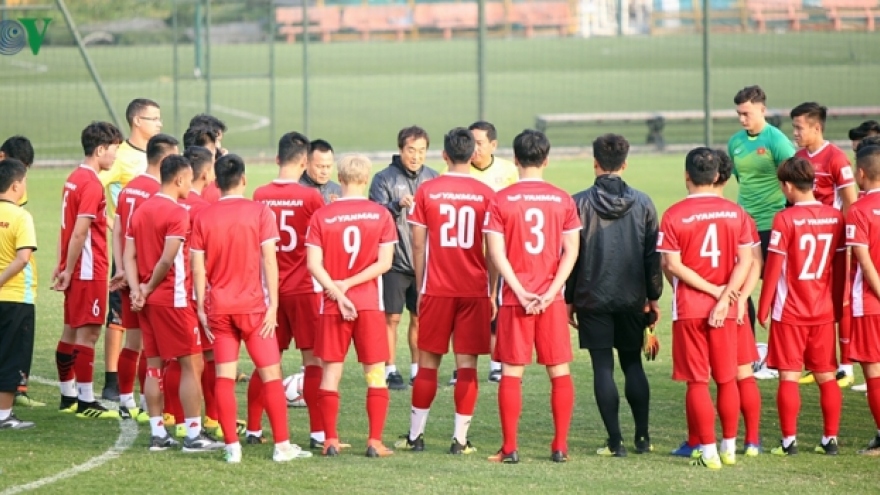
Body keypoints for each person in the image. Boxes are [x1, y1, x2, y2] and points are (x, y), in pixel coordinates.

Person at [191, 154, 310, 463]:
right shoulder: (260, 212)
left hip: (218, 308)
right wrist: (273, 306)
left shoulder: (204, 217)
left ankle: (232, 447)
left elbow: (198, 268)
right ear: (243, 179)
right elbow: (270, 260)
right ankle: (282, 446)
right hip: (254, 308)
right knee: (271, 374)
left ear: (216, 183)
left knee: (224, 377)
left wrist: (202, 307)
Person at [396, 128, 495, 455]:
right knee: (466, 366)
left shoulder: (428, 191)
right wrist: (491, 291)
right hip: (473, 291)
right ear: (473, 155)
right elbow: (492, 250)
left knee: (428, 365)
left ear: (444, 155)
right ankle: (460, 440)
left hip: (437, 289)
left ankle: (415, 437)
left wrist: (423, 287)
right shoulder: (485, 193)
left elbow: (419, 244)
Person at [483, 129, 580, 464]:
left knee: (512, 373)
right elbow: (571, 252)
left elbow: (496, 254)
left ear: (515, 159)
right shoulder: (563, 199)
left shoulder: (501, 200)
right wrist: (552, 291)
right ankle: (560, 446)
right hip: (550, 301)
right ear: (546, 159)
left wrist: (520, 291)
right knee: (559, 372)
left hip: (515, 299)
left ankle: (510, 448)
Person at [565, 133, 661, 457]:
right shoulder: (645, 203)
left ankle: (615, 441)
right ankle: (643, 438)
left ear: (595, 163)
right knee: (633, 364)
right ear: (625, 163)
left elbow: (571, 255)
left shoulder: (577, 203)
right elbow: (652, 257)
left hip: (592, 297)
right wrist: (654, 297)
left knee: (602, 368)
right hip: (633, 298)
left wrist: (569, 299)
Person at [658, 147, 752, 469]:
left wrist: (711, 292)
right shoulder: (734, 212)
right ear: (716, 177)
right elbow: (746, 260)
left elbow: (671, 264)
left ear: (687, 176)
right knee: (727, 379)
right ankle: (729, 447)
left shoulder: (673, 215)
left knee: (697, 381)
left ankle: (708, 452)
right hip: (725, 310)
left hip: (689, 308)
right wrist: (725, 297)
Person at [125, 154, 222, 452]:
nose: (191, 185)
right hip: (174, 300)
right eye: (189, 179)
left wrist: (137, 290)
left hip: (148, 302)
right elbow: (168, 259)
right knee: (191, 364)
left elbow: (129, 255)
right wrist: (149, 287)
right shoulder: (178, 213)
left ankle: (158, 434)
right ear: (179, 179)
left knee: (154, 365)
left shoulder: (140, 211)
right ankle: (193, 435)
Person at [306, 153, 398, 458]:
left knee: (331, 372)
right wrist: (351, 285)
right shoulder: (381, 215)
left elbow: (313, 265)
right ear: (367, 178)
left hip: (333, 305)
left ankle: (330, 439)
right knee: (375, 372)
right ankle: (374, 441)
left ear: (340, 178)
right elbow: (384, 264)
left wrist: (338, 289)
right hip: (369, 304)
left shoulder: (323, 215)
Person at [756, 156, 845, 457]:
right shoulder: (835, 216)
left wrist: (763, 306)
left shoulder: (785, 218)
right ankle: (829, 440)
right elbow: (841, 267)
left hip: (789, 311)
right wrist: (836, 307)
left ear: (788, 186)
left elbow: (773, 268)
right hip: (823, 311)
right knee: (826, 376)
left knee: (789, 376)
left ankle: (788, 441)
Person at [252, 132, 326, 449]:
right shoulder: (311, 198)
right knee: (312, 361)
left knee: (267, 362)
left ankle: (253, 430)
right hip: (304, 290)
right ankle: (317, 433)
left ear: (277, 159)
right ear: (305, 162)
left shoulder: (259, 194)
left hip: (269, 293)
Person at [52, 121, 122, 420]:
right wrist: (68, 269)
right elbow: (80, 232)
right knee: (90, 332)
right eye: (114, 150)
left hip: (76, 266)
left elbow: (65, 228)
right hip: (87, 268)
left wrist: (62, 264)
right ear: (100, 149)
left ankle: (68, 395)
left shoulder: (73, 178)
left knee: (71, 329)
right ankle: (85, 401)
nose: (115, 157)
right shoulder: (92, 184)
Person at [440, 121, 517, 386]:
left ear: (493, 145)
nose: (474, 149)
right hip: (464, 257)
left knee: (498, 309)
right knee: (460, 317)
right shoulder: (453, 172)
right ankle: (460, 366)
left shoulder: (508, 171)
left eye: (480, 143)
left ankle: (497, 363)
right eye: (471, 143)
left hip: (500, 255)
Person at [110, 134, 180, 423]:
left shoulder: (128, 188)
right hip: (149, 279)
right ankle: (147, 401)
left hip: (128, 274)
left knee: (133, 342)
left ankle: (127, 401)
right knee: (154, 348)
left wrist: (121, 268)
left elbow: (117, 229)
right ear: (165, 161)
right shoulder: (157, 193)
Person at [99, 99, 163, 402]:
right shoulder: (121, 157)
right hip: (126, 251)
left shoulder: (157, 153)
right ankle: (112, 379)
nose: (158, 124)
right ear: (137, 121)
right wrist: (112, 223)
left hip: (149, 250)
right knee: (119, 317)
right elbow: (93, 187)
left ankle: (135, 387)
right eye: (154, 119)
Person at [790, 102, 858, 388]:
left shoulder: (836, 159)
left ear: (817, 127)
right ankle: (816, 360)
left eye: (799, 127)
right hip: (807, 242)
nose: (794, 133)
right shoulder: (799, 156)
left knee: (839, 300)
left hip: (834, 243)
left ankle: (846, 365)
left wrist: (852, 243)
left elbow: (852, 204)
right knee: (808, 299)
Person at [369, 126, 439, 390]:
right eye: (411, 150)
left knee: (420, 316)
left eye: (421, 151)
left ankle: (416, 369)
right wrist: (397, 205)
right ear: (400, 150)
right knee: (392, 318)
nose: (416, 156)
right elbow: (375, 215)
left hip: (424, 262)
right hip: (395, 262)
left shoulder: (433, 178)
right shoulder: (383, 179)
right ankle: (390, 370)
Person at [178, 146, 222, 437]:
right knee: (210, 359)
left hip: (173, 291)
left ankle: (175, 418)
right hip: (200, 292)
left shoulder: (171, 204)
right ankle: (212, 422)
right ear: (206, 172)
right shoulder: (205, 210)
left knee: (177, 357)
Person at [0, 136, 41, 408]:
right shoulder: (21, 216)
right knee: (12, 356)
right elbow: (23, 258)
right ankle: (4, 415)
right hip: (16, 296)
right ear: (16, 185)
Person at [846, 144, 880, 454]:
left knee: (874, 372)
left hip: (871, 303)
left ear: (860, 173)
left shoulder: (857, 210)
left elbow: (864, 261)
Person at [300, 139, 342, 204]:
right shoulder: (295, 190)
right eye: (320, 166)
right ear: (306, 163)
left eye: (328, 166)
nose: (325, 172)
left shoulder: (339, 192)